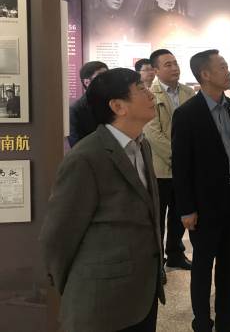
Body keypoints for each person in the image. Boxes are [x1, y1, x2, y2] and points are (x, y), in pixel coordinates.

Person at [40, 68, 164, 332]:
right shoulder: (86, 158)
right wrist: (77, 286)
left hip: (143, 293)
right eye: (141, 88)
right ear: (118, 106)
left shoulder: (142, 145)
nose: (150, 94)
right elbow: (58, 235)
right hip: (101, 300)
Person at [172, 49, 230, 332]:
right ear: (205, 74)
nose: (228, 70)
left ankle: (227, 318)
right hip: (204, 202)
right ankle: (202, 323)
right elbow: (181, 166)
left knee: (229, 261)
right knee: (203, 265)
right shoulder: (187, 114)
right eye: (222, 67)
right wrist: (186, 208)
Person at [143, 49, 195, 273]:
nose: (174, 68)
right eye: (168, 64)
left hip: (184, 171)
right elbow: (153, 134)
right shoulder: (149, 95)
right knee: (157, 217)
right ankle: (157, 264)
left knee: (179, 214)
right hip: (161, 169)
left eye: (175, 63)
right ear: (155, 70)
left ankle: (175, 254)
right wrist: (180, 157)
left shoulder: (188, 92)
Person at [68, 60, 108, 147]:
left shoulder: (113, 103)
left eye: (107, 76)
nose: (106, 80)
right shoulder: (75, 110)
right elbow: (76, 146)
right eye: (101, 76)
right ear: (87, 82)